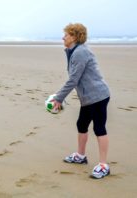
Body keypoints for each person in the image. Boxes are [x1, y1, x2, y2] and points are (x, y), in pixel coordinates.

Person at [52, 23, 111, 179]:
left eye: (66, 34)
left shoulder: (80, 53)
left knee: (99, 128)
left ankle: (104, 165)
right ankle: (80, 156)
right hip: (88, 97)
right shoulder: (74, 51)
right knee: (81, 124)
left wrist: (58, 98)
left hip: (98, 96)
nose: (63, 37)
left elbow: (73, 79)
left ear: (74, 37)